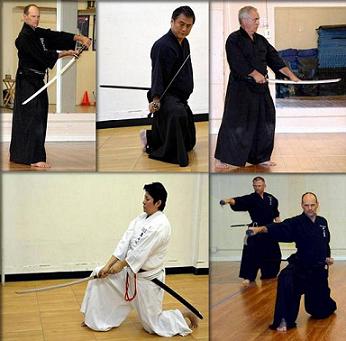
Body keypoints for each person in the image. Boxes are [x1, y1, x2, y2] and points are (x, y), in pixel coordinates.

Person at [81, 182, 198, 337]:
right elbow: (124, 242)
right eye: (144, 197)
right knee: (98, 275)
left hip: (148, 279)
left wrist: (120, 265)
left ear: (158, 203)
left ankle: (182, 314)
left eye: (147, 198)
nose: (143, 201)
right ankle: (94, 319)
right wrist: (108, 265)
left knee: (152, 326)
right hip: (130, 273)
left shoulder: (161, 226)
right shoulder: (140, 218)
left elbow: (140, 252)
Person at [214, 6, 300, 169]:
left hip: (260, 89)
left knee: (266, 118)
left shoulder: (260, 40)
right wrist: (254, 74)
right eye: (255, 19)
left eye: (258, 19)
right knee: (235, 122)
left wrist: (291, 75)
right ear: (244, 20)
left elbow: (275, 59)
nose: (258, 22)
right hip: (241, 89)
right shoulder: (233, 39)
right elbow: (236, 62)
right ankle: (222, 158)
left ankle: (260, 157)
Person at [10, 4, 91, 168]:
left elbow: (53, 36)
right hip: (27, 82)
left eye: (38, 16)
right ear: (25, 17)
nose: (36, 19)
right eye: (33, 16)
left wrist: (78, 38)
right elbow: (41, 56)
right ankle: (31, 157)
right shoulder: (23, 39)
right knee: (32, 118)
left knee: (40, 116)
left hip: (37, 81)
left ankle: (27, 155)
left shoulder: (37, 33)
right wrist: (66, 53)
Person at [249, 192, 337, 332]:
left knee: (321, 312)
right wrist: (260, 229)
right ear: (302, 205)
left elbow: (324, 243)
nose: (309, 208)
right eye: (306, 205)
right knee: (286, 279)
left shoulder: (322, 222)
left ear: (317, 204)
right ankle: (284, 319)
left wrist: (326, 257)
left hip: (318, 269)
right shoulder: (296, 222)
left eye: (312, 205)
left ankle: (324, 306)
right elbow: (279, 227)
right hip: (301, 266)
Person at [140, 6, 196, 167]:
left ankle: (151, 136)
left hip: (180, 96)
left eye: (188, 26)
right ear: (172, 21)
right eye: (181, 24)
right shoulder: (162, 46)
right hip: (166, 95)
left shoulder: (185, 43)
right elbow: (157, 74)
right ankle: (155, 144)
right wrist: (156, 99)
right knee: (177, 115)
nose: (184, 29)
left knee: (189, 141)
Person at [220, 176, 281, 286]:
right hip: (255, 230)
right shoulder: (251, 198)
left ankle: (270, 274)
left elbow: (276, 213)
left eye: (259, 186)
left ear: (264, 186)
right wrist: (229, 201)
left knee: (274, 253)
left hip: (269, 230)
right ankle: (248, 277)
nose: (257, 188)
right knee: (251, 254)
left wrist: (279, 225)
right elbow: (238, 201)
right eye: (255, 186)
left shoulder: (271, 198)